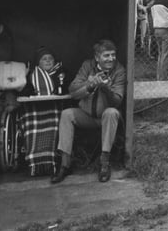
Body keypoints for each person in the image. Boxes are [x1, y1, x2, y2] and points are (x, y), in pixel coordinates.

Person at [52, 40, 126, 184]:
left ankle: (104, 163)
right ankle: (65, 165)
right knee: (67, 114)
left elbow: (117, 101)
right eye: (106, 55)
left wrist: (105, 88)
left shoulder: (119, 70)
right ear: (97, 57)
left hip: (107, 117)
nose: (111, 59)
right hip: (87, 116)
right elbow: (73, 91)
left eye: (113, 55)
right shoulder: (87, 66)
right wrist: (90, 85)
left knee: (111, 112)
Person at [19, 47, 70, 176]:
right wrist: (24, 77)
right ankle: (36, 162)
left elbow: (65, 90)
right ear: (38, 62)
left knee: (56, 124)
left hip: (55, 108)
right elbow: (24, 92)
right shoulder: (31, 75)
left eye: (50, 59)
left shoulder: (61, 73)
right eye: (44, 59)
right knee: (29, 121)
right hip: (35, 110)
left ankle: (53, 160)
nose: (48, 61)